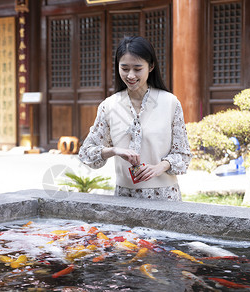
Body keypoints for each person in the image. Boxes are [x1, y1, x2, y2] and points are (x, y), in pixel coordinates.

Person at [78, 36, 191, 201]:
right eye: (124, 68)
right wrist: (114, 150)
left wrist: (161, 167)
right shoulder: (108, 106)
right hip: (125, 197)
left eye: (137, 69)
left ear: (151, 66)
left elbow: (183, 154)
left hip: (165, 197)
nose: (130, 75)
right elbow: (86, 153)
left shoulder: (170, 103)